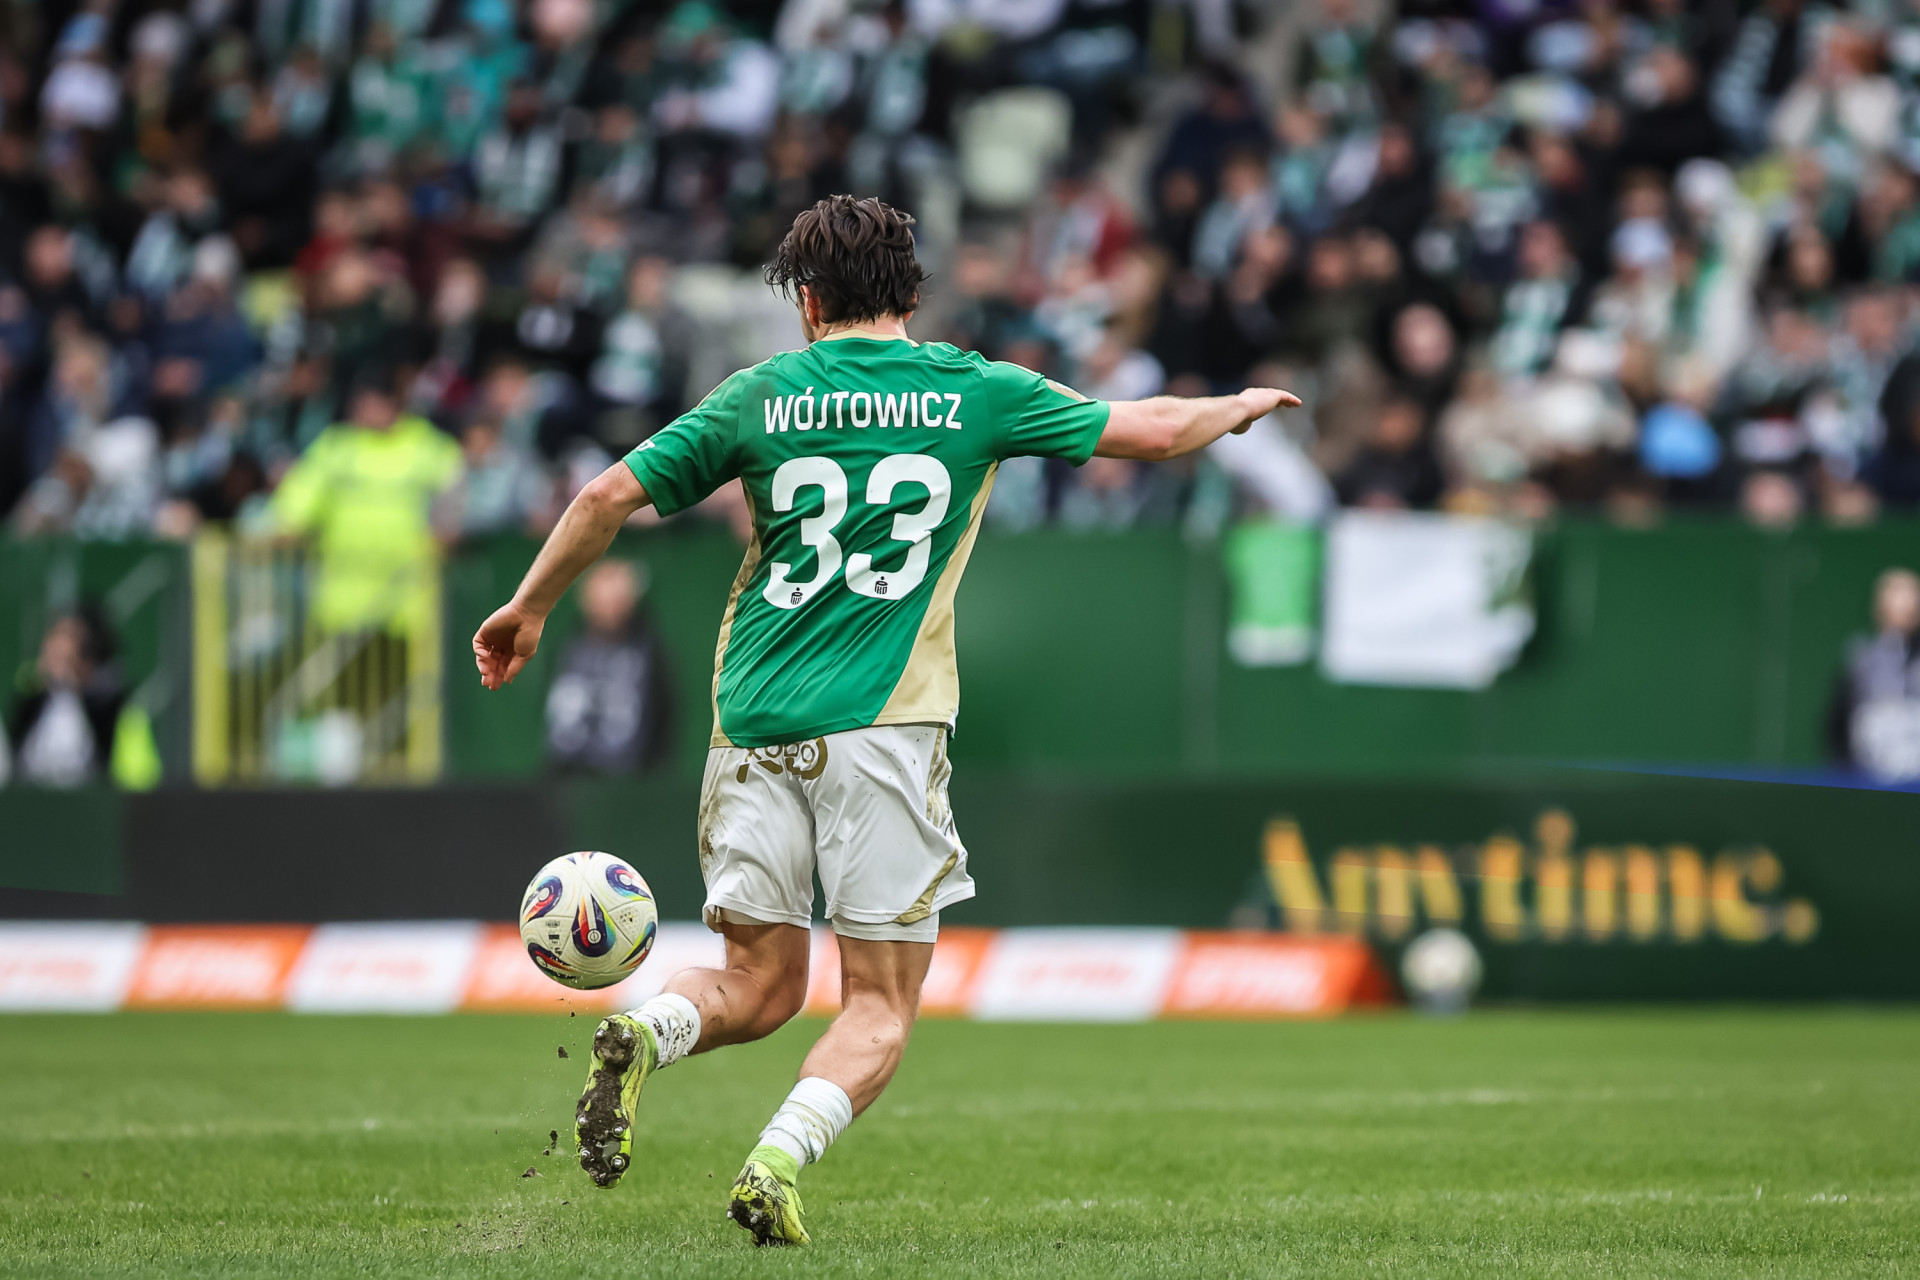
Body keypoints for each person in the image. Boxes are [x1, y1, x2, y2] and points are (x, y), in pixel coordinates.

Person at [471, 195, 1297, 1246]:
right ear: (911, 291)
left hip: (750, 721)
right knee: (878, 1004)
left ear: (808, 303)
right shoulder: (975, 390)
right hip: (884, 726)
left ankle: (646, 1026)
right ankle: (775, 1161)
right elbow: (1155, 431)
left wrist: (528, 608)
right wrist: (1239, 403)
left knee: (757, 985)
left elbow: (601, 498)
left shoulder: (760, 394)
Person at [543, 559, 674, 773]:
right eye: (602, 599)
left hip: (629, 778)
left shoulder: (649, 651)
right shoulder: (568, 646)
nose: (609, 609)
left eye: (617, 600)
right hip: (567, 776)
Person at [1828, 566, 1920, 781]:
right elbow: (1837, 727)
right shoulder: (1861, 661)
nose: (1904, 607)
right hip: (1870, 780)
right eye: (1895, 598)